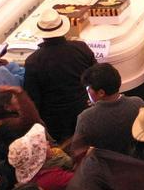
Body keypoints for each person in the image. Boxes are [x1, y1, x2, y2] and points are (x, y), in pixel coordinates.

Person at [22, 9, 96, 143]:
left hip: (54, 118)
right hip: (83, 108)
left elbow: (33, 97)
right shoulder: (81, 48)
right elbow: (95, 75)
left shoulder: (33, 61)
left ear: (42, 34)